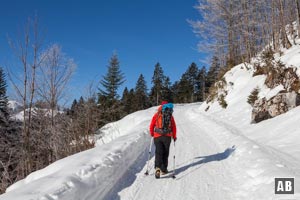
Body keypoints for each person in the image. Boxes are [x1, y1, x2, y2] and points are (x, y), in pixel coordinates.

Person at [149, 101, 177, 178]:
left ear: (161, 106)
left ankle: (157, 168)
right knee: (165, 152)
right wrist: (174, 136)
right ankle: (164, 169)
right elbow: (174, 127)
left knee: (158, 152)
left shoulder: (156, 114)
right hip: (167, 137)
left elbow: (151, 125)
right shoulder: (170, 115)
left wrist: (152, 133)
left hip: (157, 136)